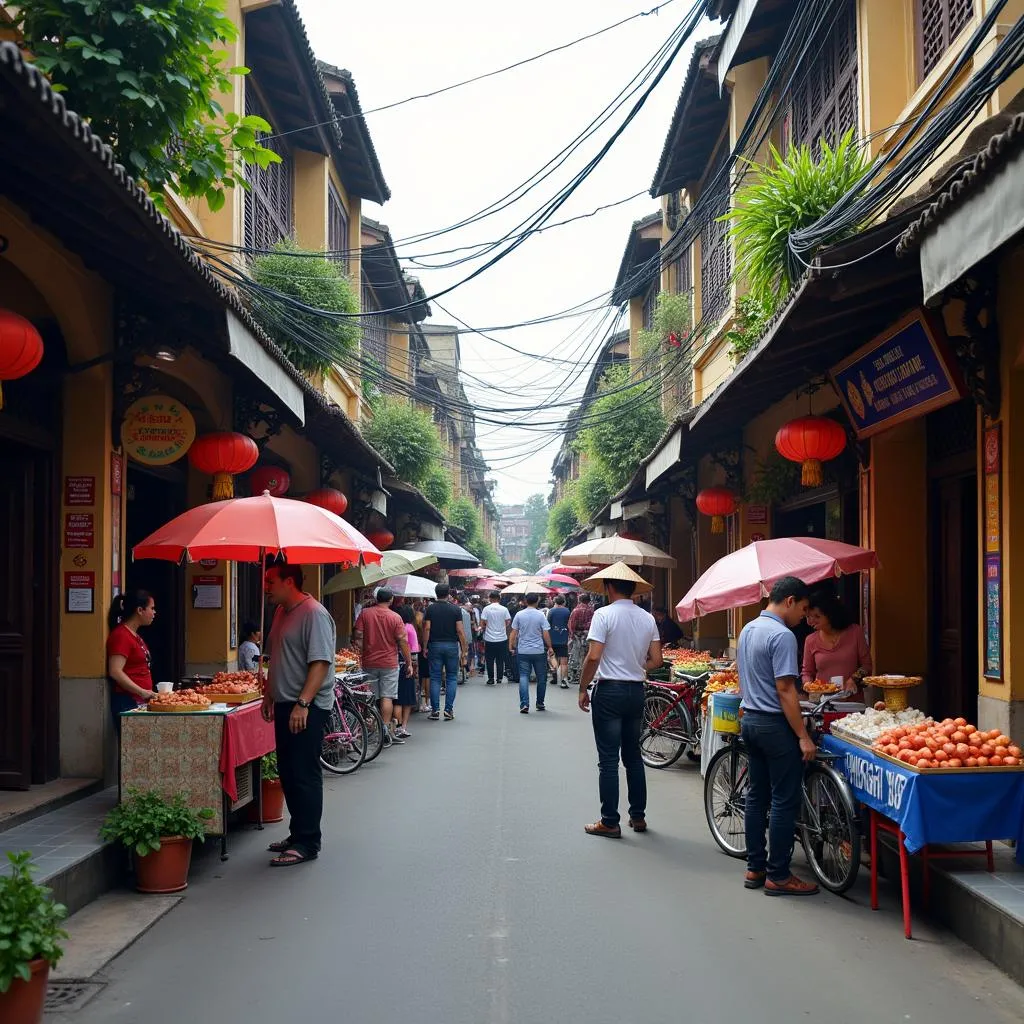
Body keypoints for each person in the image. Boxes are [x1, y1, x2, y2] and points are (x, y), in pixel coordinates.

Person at [738, 575, 818, 896]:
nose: (804, 615)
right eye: (803, 608)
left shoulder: (747, 629)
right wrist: (802, 735)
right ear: (789, 601)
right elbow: (786, 689)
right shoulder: (782, 636)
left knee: (757, 796)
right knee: (785, 799)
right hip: (774, 725)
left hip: (751, 721)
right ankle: (779, 875)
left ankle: (755, 867)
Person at [577, 564, 661, 838]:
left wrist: (582, 687)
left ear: (609, 587)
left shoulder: (603, 615)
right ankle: (638, 817)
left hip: (610, 691)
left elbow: (593, 656)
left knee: (609, 759)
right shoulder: (648, 618)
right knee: (633, 757)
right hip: (636, 692)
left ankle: (609, 821)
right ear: (632, 589)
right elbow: (657, 660)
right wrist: (636, 668)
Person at [261, 563, 336, 867]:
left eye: (270, 581)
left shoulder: (314, 614)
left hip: (307, 706)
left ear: (289, 581)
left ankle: (308, 841)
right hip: (284, 702)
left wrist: (302, 703)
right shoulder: (281, 612)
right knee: (288, 772)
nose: (266, 586)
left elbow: (320, 663)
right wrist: (269, 693)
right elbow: (276, 657)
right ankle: (297, 832)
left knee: (304, 773)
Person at [353, 588, 413, 745]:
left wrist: (363, 650)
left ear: (376, 598)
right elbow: (402, 641)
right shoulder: (395, 617)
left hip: (369, 662)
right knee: (387, 696)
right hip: (389, 663)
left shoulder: (365, 613)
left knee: (371, 697)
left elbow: (358, 635)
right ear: (391, 600)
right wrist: (409, 662)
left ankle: (371, 728)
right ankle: (385, 730)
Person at [802, 588, 872, 699]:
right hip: (823, 702)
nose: (810, 621)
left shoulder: (855, 632)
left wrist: (853, 679)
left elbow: (867, 666)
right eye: (807, 616)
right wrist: (807, 684)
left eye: (817, 616)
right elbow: (807, 672)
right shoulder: (810, 640)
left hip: (852, 702)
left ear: (830, 614)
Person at [106, 589, 156, 732]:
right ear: (140, 610)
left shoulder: (134, 635)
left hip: (139, 701)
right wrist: (142, 692)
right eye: (152, 608)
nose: (154, 613)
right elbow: (115, 671)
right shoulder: (121, 635)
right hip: (128, 701)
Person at [423, 583, 467, 720]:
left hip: (435, 645)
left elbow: (427, 629)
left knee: (435, 678)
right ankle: (448, 709)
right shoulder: (455, 609)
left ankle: (435, 710)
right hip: (451, 646)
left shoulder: (430, 609)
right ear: (448, 594)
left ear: (436, 594)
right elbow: (460, 630)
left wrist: (425, 646)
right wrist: (464, 649)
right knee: (451, 677)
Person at [509, 593, 554, 714]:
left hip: (523, 650)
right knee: (542, 677)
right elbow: (545, 633)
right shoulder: (540, 615)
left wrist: (511, 646)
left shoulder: (519, 614)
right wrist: (550, 647)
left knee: (524, 676)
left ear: (525, 601)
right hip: (538, 651)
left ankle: (524, 704)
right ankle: (540, 703)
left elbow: (514, 632)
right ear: (537, 601)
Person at [394, 603, 419, 738]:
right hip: (406, 664)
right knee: (407, 699)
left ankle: (396, 726)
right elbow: (413, 651)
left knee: (397, 698)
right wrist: (413, 666)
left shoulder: (395, 626)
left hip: (394, 663)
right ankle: (403, 727)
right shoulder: (410, 628)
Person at [481, 589, 512, 684]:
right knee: (500, 659)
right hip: (502, 638)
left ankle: (490, 678)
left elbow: (482, 623)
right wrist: (502, 626)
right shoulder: (504, 609)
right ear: (499, 599)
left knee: (489, 659)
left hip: (489, 639)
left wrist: (487, 625)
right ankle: (499, 678)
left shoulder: (486, 609)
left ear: (490, 599)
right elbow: (508, 621)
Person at [567, 592, 595, 689]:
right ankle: (585, 676)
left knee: (576, 656)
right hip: (587, 635)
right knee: (586, 657)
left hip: (577, 636)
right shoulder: (591, 611)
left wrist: (572, 635)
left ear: (580, 600)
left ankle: (575, 677)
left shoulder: (576, 610)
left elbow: (571, 624)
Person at [547, 595, 571, 688]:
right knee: (564, 661)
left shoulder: (551, 611)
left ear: (555, 602)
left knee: (552, 657)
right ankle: (564, 680)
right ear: (564, 602)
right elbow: (569, 624)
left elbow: (548, 624)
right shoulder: (567, 611)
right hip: (563, 637)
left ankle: (555, 676)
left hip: (552, 637)